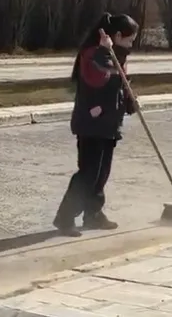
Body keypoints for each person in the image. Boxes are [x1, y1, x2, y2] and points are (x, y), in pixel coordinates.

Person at [53, 12, 139, 237]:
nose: (131, 45)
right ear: (117, 35)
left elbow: (119, 82)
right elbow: (98, 79)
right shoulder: (93, 54)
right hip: (90, 123)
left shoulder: (117, 56)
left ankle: (93, 214)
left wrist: (129, 100)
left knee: (102, 174)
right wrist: (106, 50)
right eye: (129, 40)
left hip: (110, 123)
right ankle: (65, 217)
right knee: (88, 173)